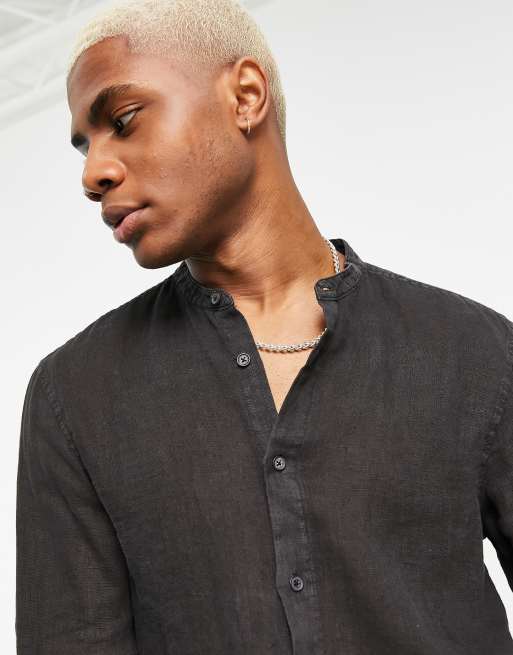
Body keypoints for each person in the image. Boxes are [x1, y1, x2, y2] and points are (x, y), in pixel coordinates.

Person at [15, 0, 513, 653]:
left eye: (123, 120)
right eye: (85, 145)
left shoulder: (476, 353)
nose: (92, 174)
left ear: (245, 96)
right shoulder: (73, 396)